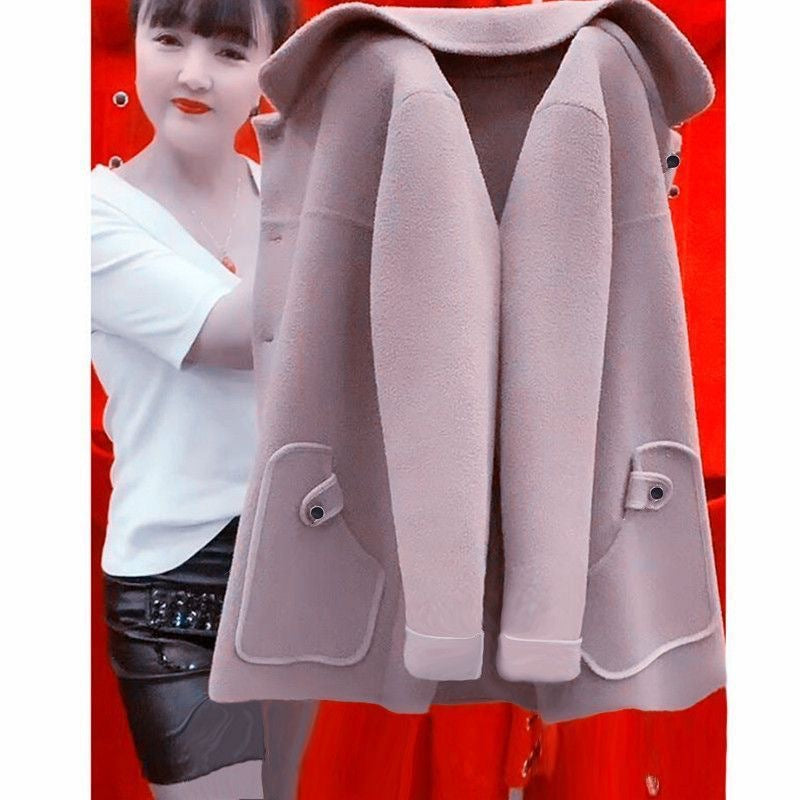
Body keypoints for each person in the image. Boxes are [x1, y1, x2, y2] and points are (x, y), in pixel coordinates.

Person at [91, 1, 313, 798]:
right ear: (135, 44)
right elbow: (237, 332)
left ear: (272, 69)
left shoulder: (291, 194)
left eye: (228, 51)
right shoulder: (90, 219)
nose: (193, 74)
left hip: (297, 562)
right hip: (176, 590)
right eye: (169, 39)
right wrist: (355, 204)